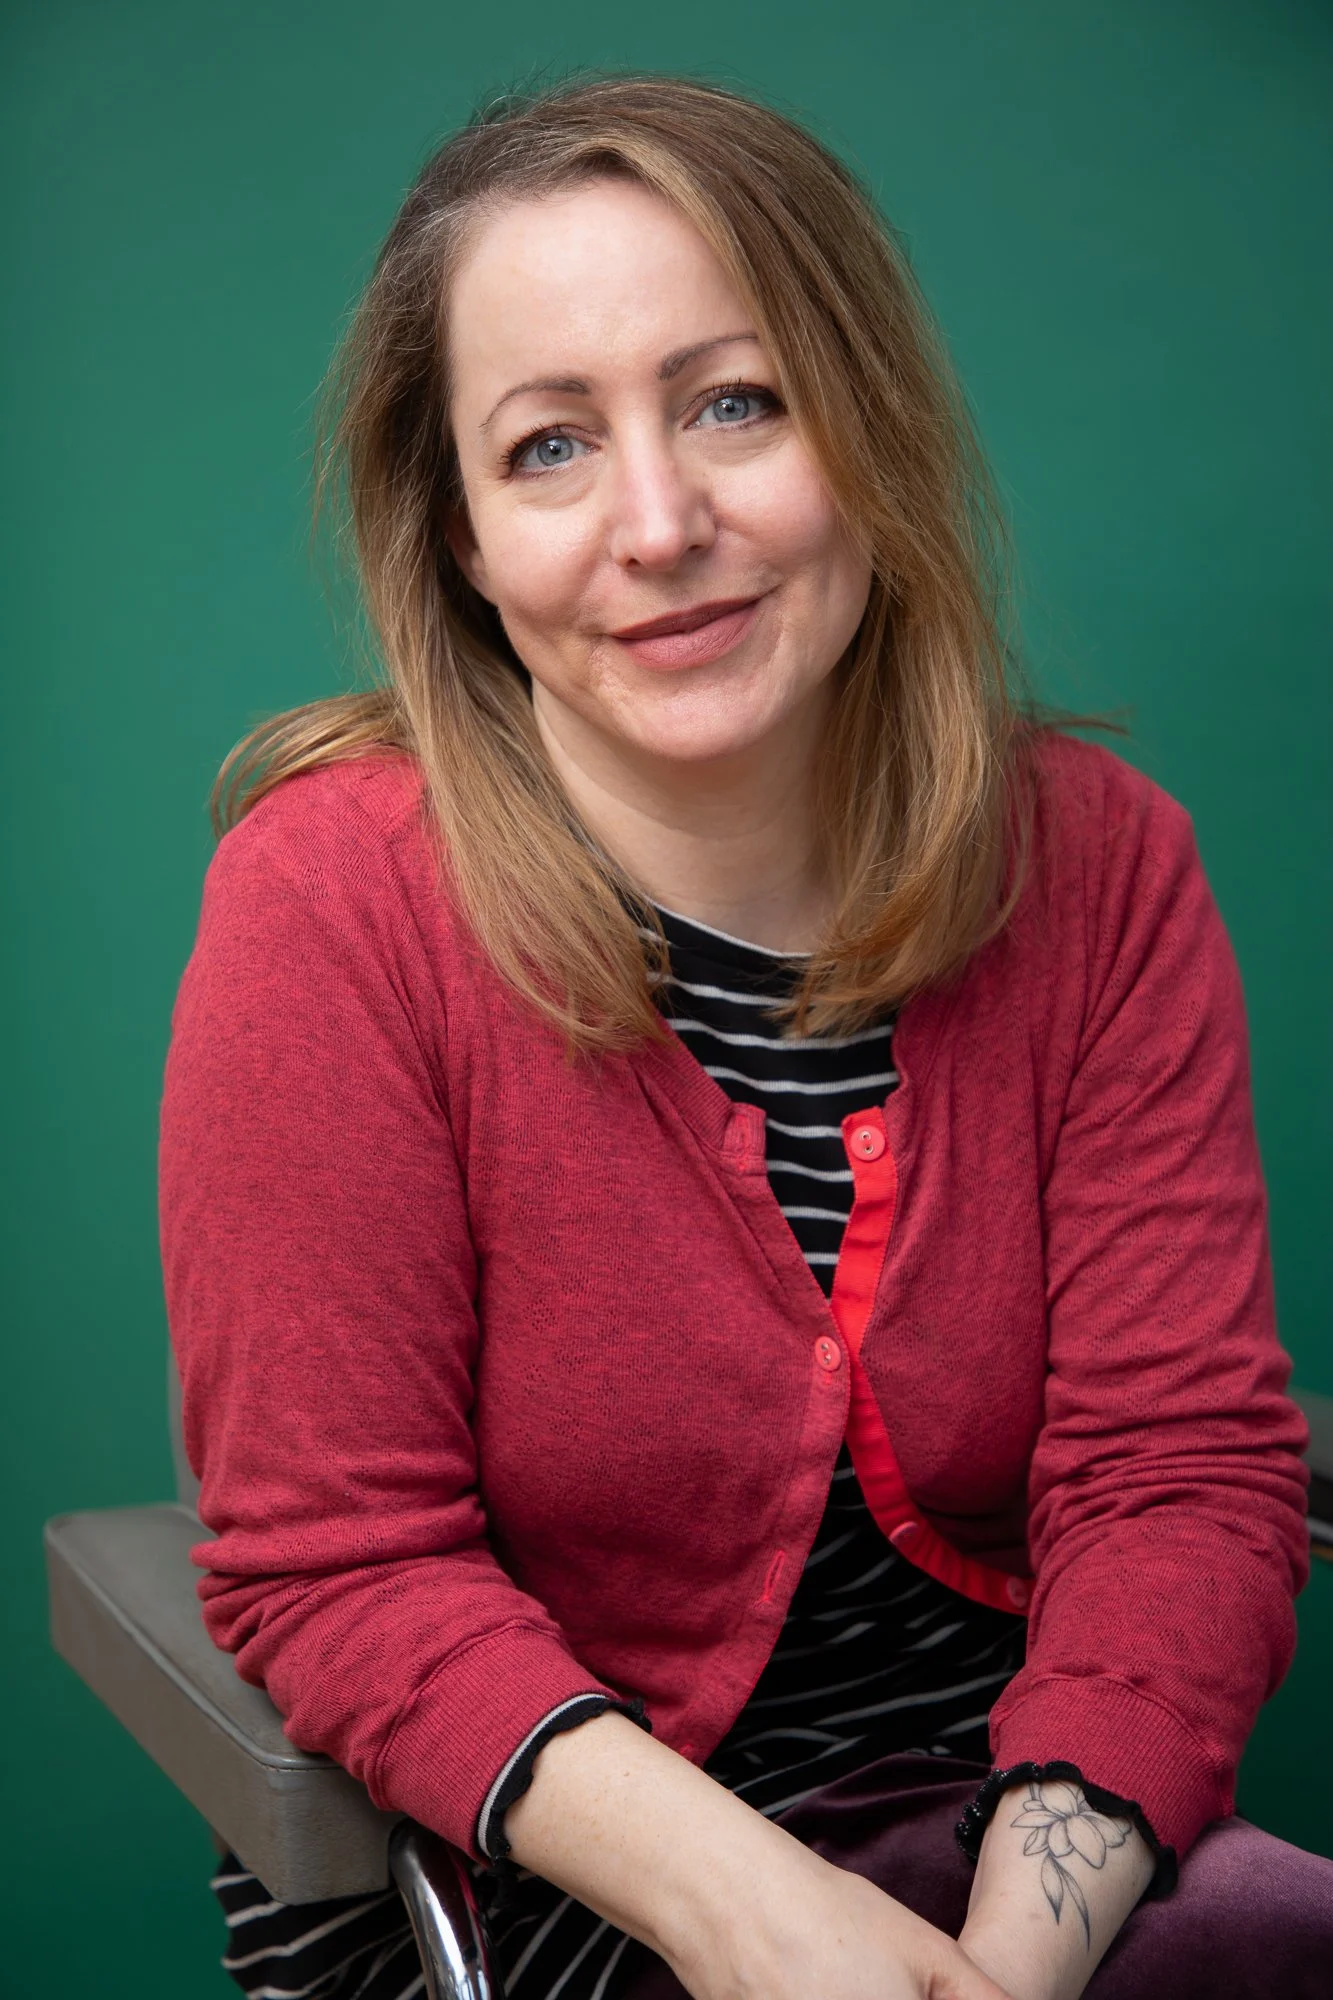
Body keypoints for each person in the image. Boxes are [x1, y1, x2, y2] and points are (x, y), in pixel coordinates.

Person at [159, 74, 1332, 2000]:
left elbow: (1176, 1471)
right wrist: (763, 1922)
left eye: (735, 402)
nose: (661, 522)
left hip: (994, 1847)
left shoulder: (1106, 872)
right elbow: (340, 1565)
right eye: (547, 448)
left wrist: (1002, 1965)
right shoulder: (332, 905)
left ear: (862, 425)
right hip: (505, 1868)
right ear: (457, 537)